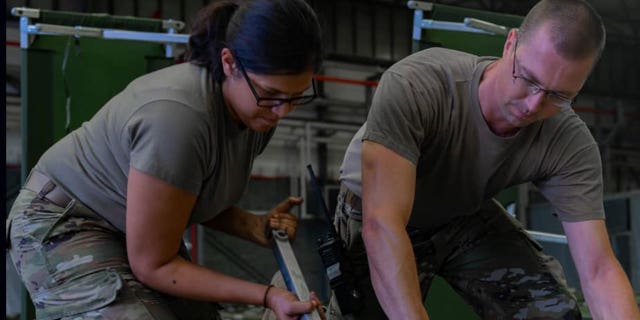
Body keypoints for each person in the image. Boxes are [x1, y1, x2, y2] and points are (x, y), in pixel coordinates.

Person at [6, 0, 325, 319]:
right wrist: (267, 296)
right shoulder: (179, 119)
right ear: (229, 63)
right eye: (270, 94)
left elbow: (181, 197)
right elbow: (153, 265)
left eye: (296, 96)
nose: (282, 111)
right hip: (65, 221)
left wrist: (252, 225)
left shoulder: (257, 114)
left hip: (129, 226)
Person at [334, 0, 640, 319]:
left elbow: (599, 271)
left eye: (558, 95)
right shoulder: (418, 85)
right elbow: (382, 222)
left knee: (550, 312)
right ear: (510, 44)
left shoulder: (569, 142)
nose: (534, 105)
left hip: (461, 213)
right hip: (376, 209)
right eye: (528, 78)